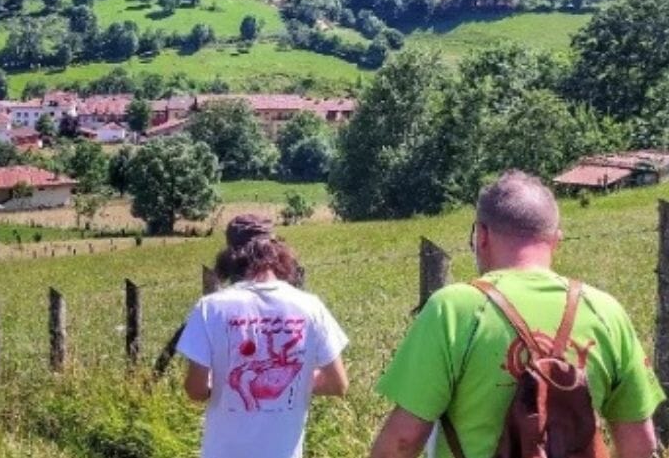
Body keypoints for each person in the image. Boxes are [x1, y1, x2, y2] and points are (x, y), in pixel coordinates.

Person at [370, 171, 664, 458]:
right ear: (555, 240)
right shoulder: (606, 311)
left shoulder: (452, 309)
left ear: (481, 236)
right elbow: (639, 444)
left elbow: (403, 441)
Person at [176, 213, 349, 458]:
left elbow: (195, 390)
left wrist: (227, 382)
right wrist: (289, 381)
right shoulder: (310, 307)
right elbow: (338, 384)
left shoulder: (211, 308)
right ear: (276, 250)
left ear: (230, 254)